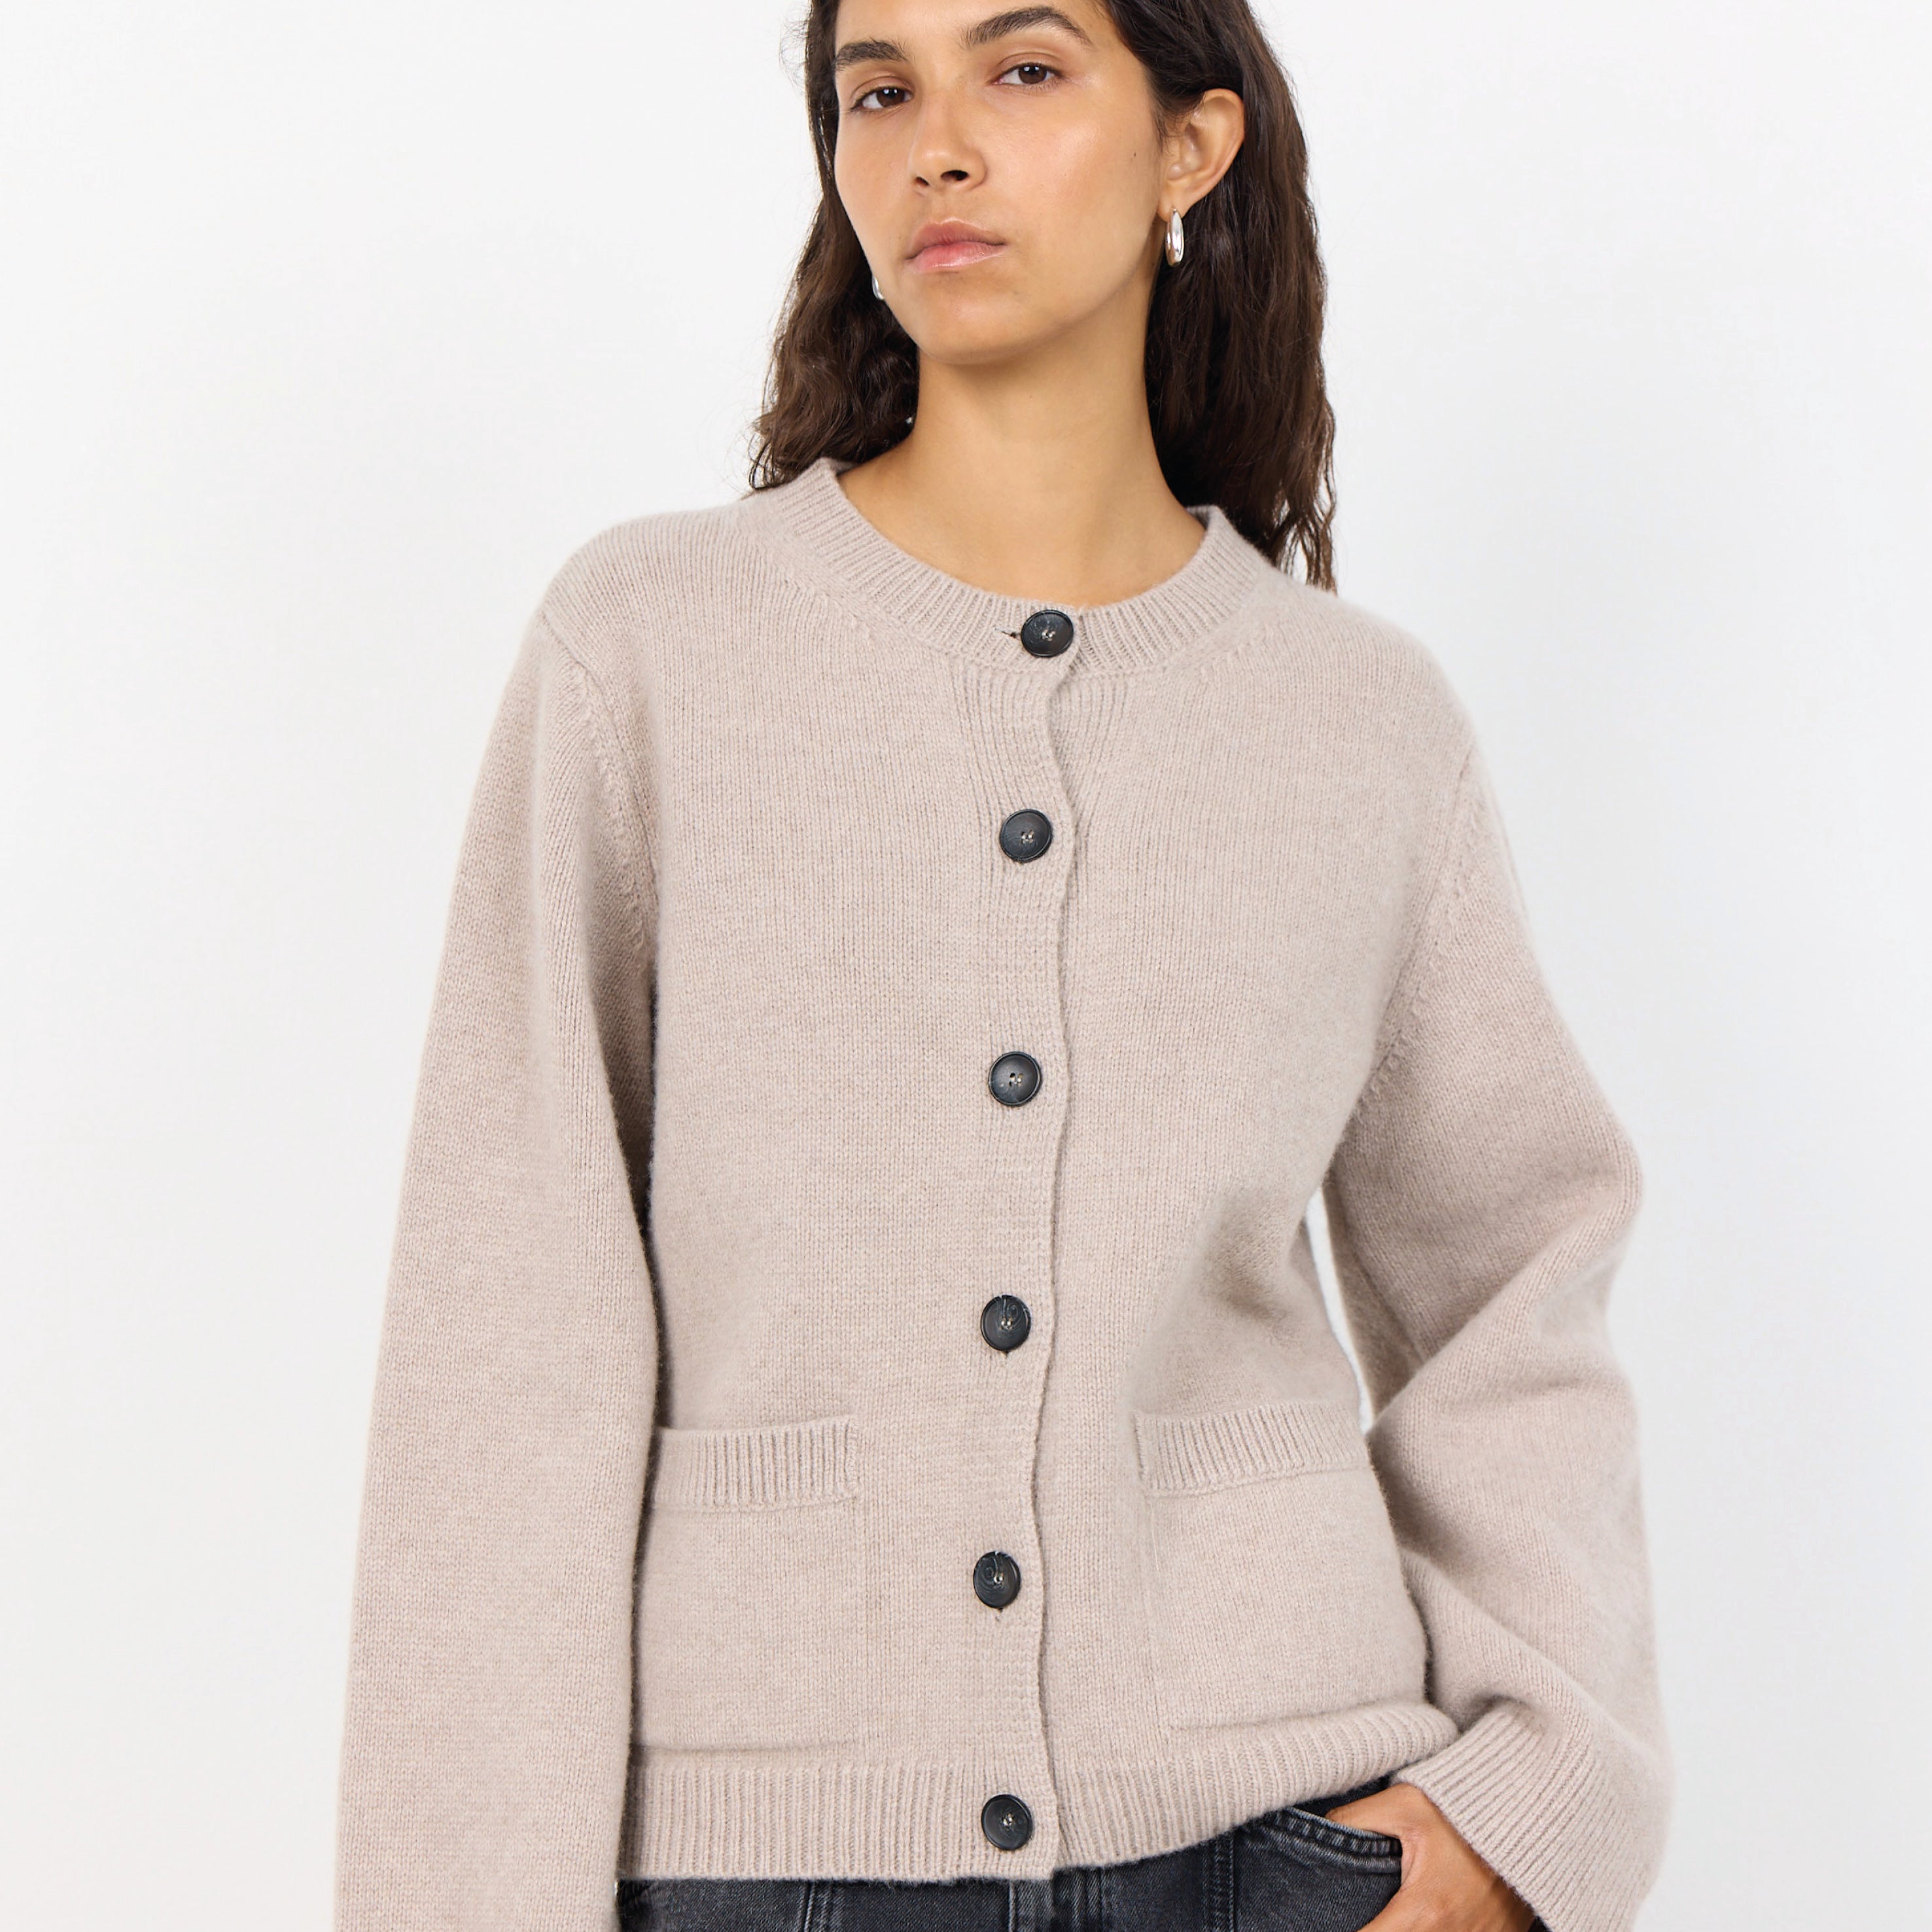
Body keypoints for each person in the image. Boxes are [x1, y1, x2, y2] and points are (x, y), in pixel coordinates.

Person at [332, 1, 1672, 1928]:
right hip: (767, 1851)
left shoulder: (1359, 723)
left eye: (1023, 70)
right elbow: (506, 1336)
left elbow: (1512, 1279)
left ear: (1191, 146)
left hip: (1283, 1836)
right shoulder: (650, 650)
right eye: (878, 89)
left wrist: (1525, 1815)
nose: (935, 144)